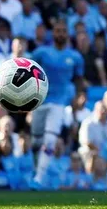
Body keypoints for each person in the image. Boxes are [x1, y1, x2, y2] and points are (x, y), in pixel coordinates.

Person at [28, 20, 84, 189]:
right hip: (39, 101)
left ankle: (39, 178)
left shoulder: (75, 57)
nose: (60, 34)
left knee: (50, 140)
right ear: (53, 33)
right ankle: (33, 172)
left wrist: (78, 98)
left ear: (68, 34)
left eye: (63, 31)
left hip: (59, 103)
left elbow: (79, 80)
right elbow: (27, 72)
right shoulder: (41, 53)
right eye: (58, 30)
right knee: (36, 142)